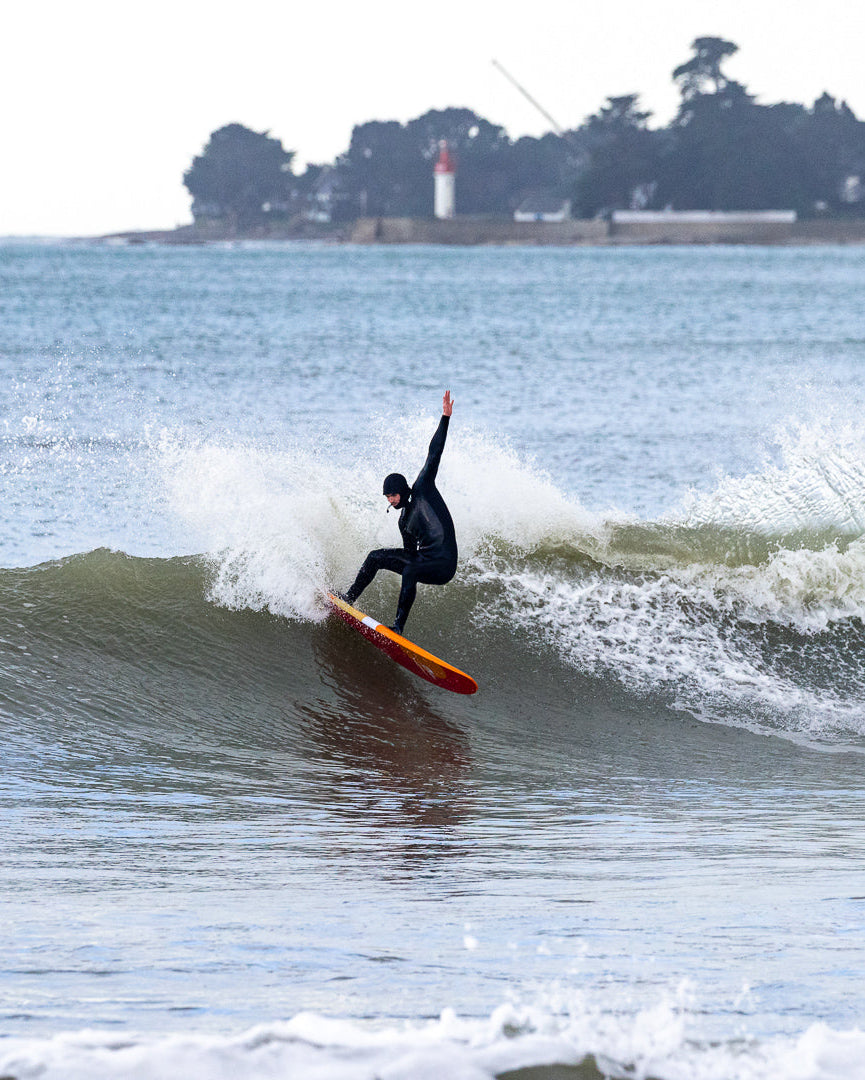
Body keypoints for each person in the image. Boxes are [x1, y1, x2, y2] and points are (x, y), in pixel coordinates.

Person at [339, 390, 458, 635]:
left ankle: (398, 628)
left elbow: (433, 453)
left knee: (411, 569)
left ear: (402, 491)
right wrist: (394, 564)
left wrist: (445, 418)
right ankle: (348, 598)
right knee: (375, 557)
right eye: (387, 498)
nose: (391, 501)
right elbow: (409, 556)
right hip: (424, 561)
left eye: (393, 496)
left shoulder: (423, 488)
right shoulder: (403, 521)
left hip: (444, 563)